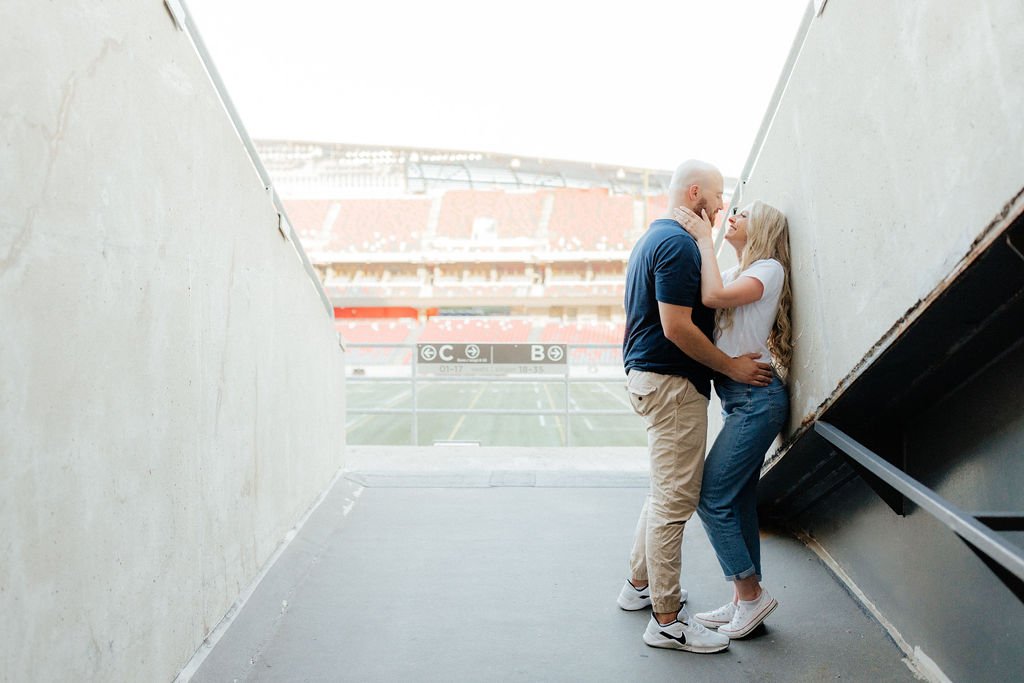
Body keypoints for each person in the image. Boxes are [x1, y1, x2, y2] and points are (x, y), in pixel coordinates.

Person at [618, 160, 773, 653]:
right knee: (674, 503)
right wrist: (729, 366)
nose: (723, 204)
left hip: (652, 381)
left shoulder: (656, 237)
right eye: (718, 194)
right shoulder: (680, 245)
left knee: (663, 491)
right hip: (672, 386)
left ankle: (639, 587)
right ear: (693, 194)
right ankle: (667, 621)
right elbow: (677, 326)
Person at [673, 199, 792, 640]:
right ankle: (746, 599)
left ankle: (751, 593)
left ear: (761, 227)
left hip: (756, 399)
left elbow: (712, 297)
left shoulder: (768, 268)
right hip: (740, 399)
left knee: (712, 495)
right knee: (737, 499)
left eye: (744, 212)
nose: (734, 216)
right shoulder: (746, 269)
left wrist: (705, 238)